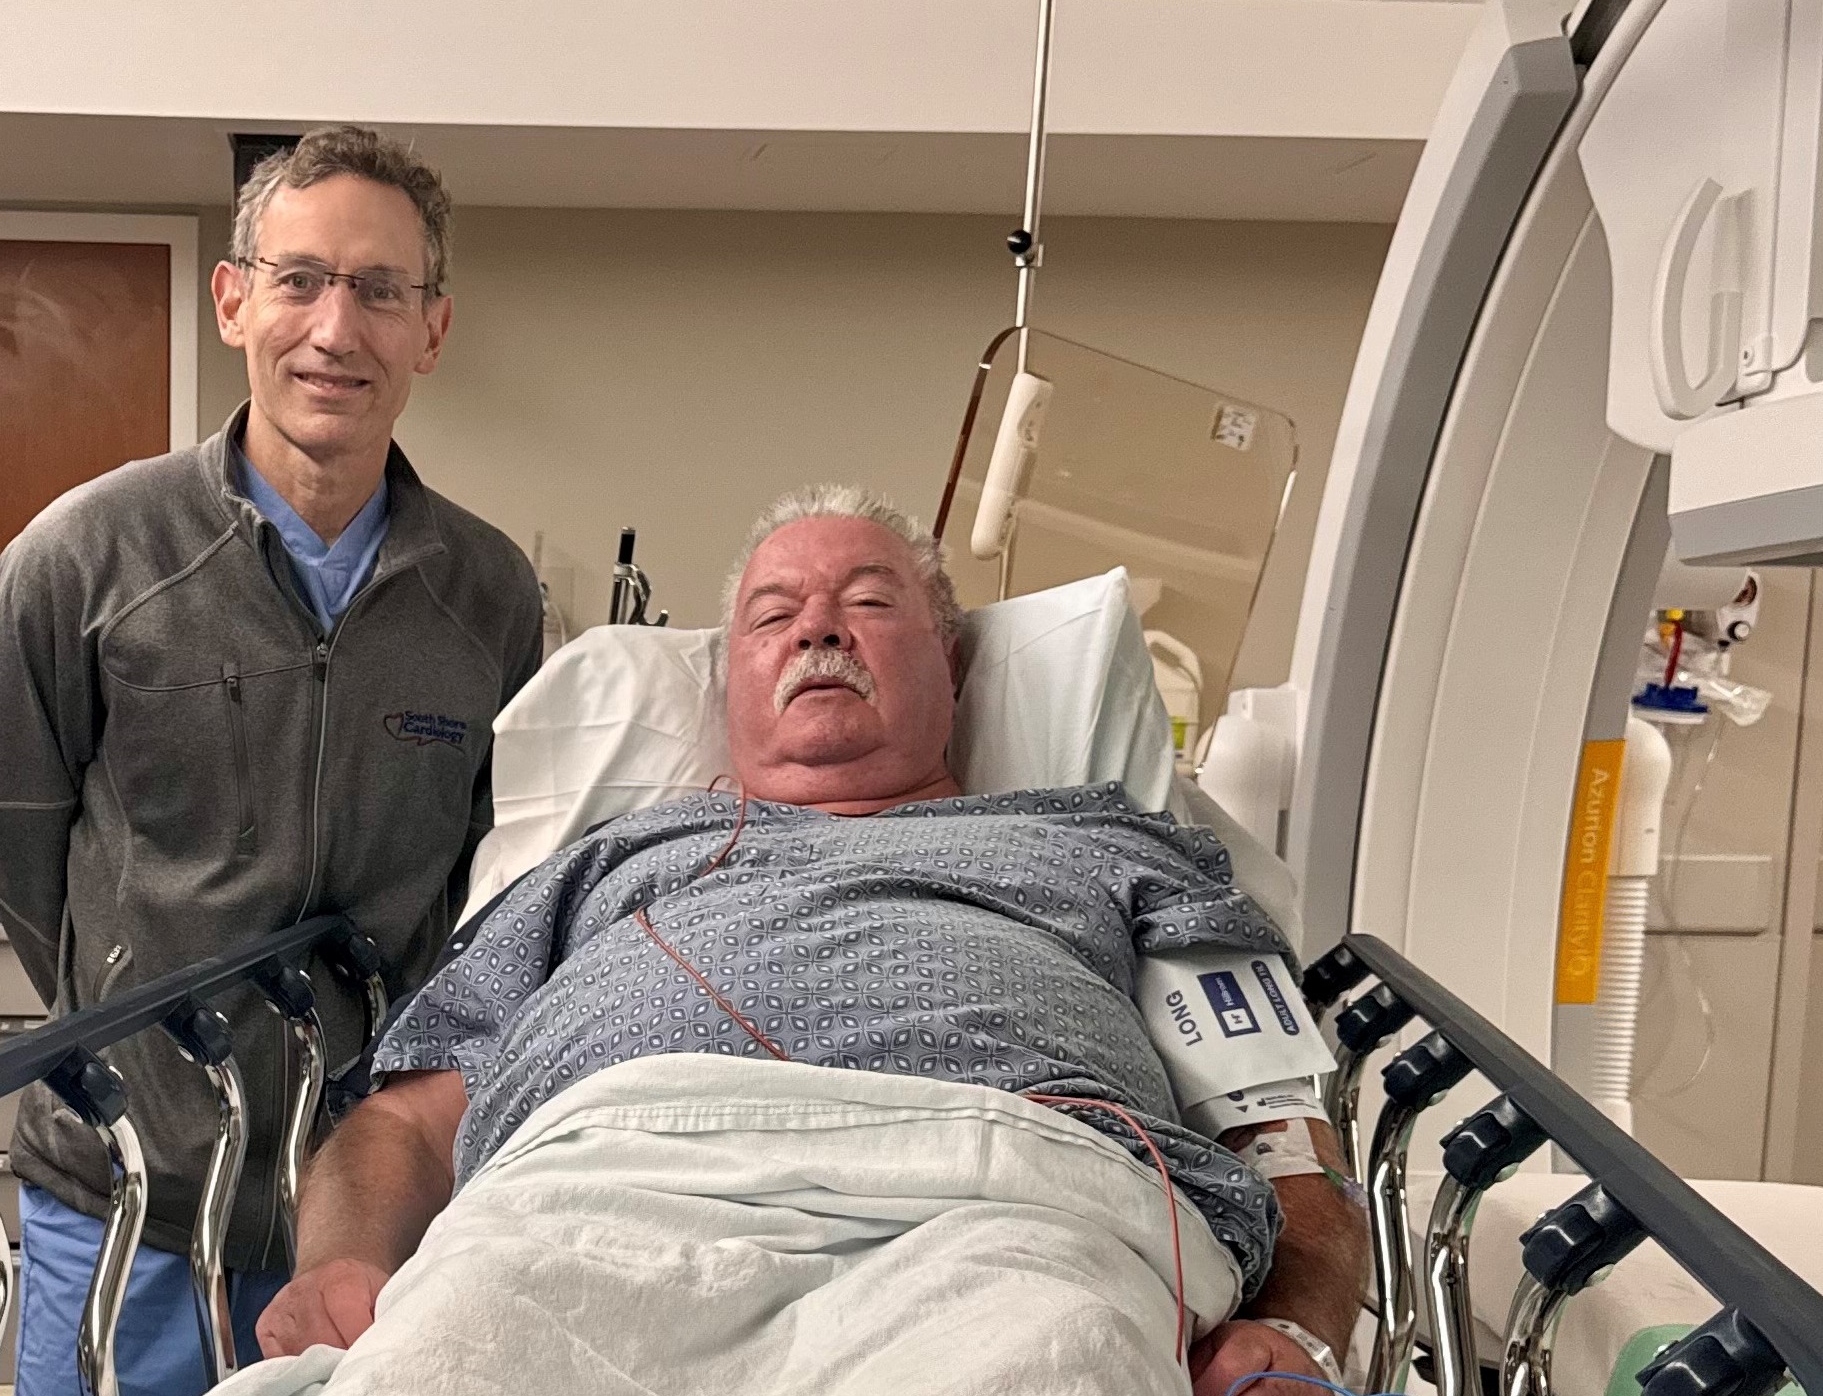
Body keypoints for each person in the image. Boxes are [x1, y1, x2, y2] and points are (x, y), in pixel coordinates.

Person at [236, 486, 1368, 1396]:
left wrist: (1303, 1335)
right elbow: (405, 1124)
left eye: (869, 603)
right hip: (584, 1211)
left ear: (955, 662)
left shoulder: (1110, 845)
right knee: (452, 1353)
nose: (817, 626)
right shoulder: (596, 865)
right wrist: (344, 1260)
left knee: (1054, 1355)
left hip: (1013, 1218)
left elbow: (1279, 1127)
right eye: (774, 615)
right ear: (730, 676)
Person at [0, 125, 544, 1396]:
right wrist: (127, 1019)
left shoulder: (491, 596)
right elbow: (18, 853)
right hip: (125, 1190)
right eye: (300, 279)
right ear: (234, 300)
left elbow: (492, 876)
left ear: (431, 331)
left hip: (365, 1208)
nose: (336, 328)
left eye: (380, 290)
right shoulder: (78, 562)